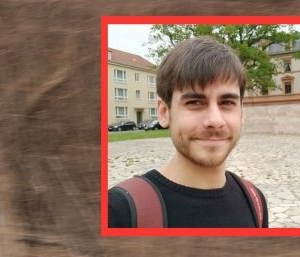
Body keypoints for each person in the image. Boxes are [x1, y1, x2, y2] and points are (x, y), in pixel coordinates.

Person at [108, 37, 268, 228]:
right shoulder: (118, 212)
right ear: (164, 112)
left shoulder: (255, 201)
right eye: (195, 102)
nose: (215, 121)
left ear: (241, 111)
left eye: (227, 103)